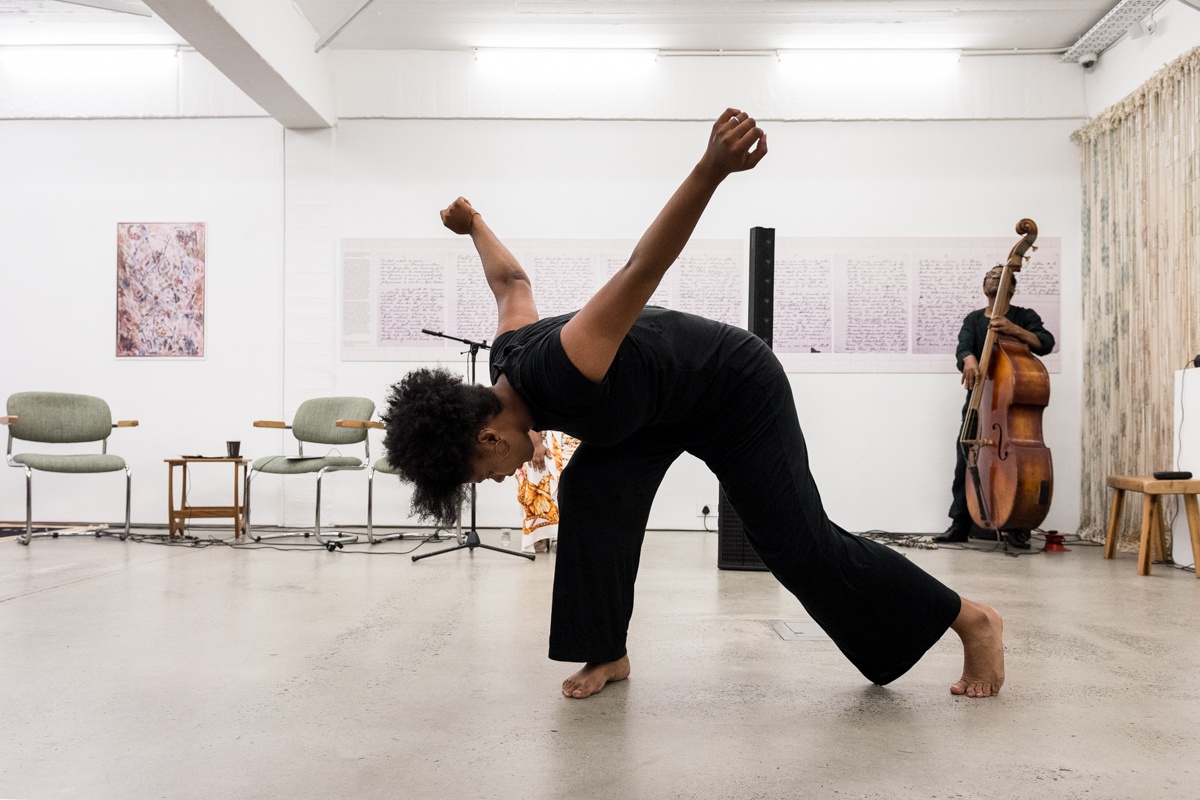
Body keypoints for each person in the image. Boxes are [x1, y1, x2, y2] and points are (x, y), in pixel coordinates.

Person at [382, 109, 1005, 699]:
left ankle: (969, 619)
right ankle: (606, 652)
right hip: (648, 410)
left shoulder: (563, 369)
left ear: (489, 437)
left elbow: (641, 268)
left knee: (794, 542)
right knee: (591, 491)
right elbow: (511, 283)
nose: (498, 477)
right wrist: (475, 226)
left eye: (483, 472)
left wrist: (711, 168)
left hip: (730, 386)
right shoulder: (505, 361)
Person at [934, 265, 1055, 548]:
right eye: (990, 275)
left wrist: (1015, 330)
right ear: (983, 286)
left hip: (1008, 407)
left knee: (1018, 465)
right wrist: (968, 359)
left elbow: (1045, 343)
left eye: (1001, 277)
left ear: (1011, 288)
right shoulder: (974, 320)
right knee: (965, 461)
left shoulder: (1025, 317)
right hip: (980, 401)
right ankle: (960, 524)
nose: (994, 278)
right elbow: (963, 346)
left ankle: (1017, 526)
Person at [515, 429, 578, 553]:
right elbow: (532, 416)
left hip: (576, 437)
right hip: (545, 436)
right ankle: (540, 534)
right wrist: (536, 444)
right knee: (535, 466)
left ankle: (567, 534)